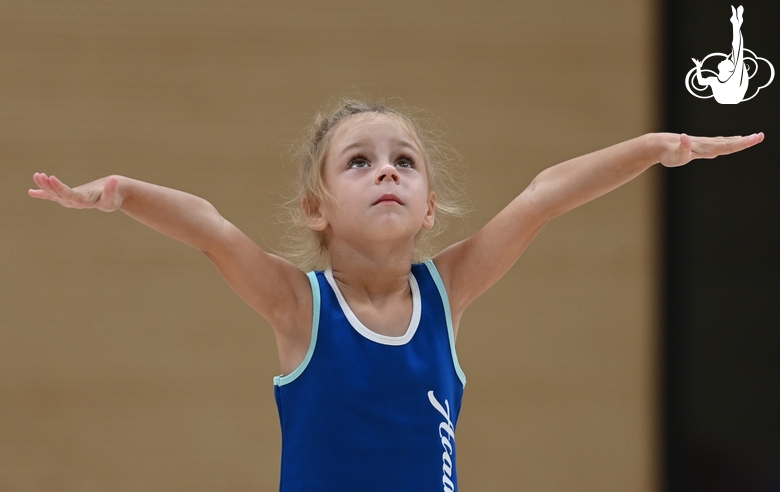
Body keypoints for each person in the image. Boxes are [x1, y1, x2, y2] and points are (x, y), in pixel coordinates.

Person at [28, 99, 764, 491]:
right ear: (317, 208)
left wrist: (654, 149)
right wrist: (120, 195)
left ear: (430, 206)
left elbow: (544, 196)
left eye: (404, 162)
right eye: (360, 162)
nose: (387, 172)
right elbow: (211, 229)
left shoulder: (446, 294)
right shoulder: (300, 307)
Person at [692, 5, 749, 104]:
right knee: (737, 51)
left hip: (732, 96)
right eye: (728, 61)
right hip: (731, 97)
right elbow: (701, 82)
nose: (725, 60)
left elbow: (701, 81)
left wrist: (698, 67)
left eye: (727, 62)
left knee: (737, 51)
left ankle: (736, 23)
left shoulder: (721, 79)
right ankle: (736, 23)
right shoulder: (719, 79)